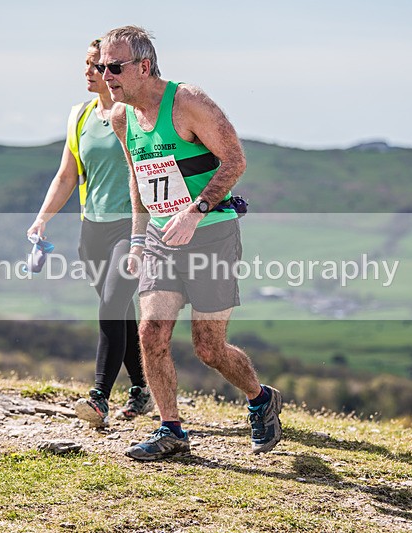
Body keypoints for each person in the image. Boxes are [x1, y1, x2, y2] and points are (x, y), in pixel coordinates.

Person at [99, 26, 282, 461]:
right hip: (162, 238)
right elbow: (138, 180)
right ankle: (171, 429)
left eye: (115, 66)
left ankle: (260, 399)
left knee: (209, 348)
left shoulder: (187, 103)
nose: (106, 75)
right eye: (101, 66)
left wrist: (196, 209)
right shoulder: (123, 118)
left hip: (211, 234)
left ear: (144, 66)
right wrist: (139, 240)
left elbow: (235, 160)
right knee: (150, 330)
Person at [27, 38, 153, 428]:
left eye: (97, 65)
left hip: (132, 229)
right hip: (92, 230)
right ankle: (142, 389)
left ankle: (99, 396)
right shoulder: (79, 116)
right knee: (118, 313)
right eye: (88, 64)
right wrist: (42, 218)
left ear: (116, 72)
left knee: (112, 305)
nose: (89, 71)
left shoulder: (136, 115)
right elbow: (67, 175)